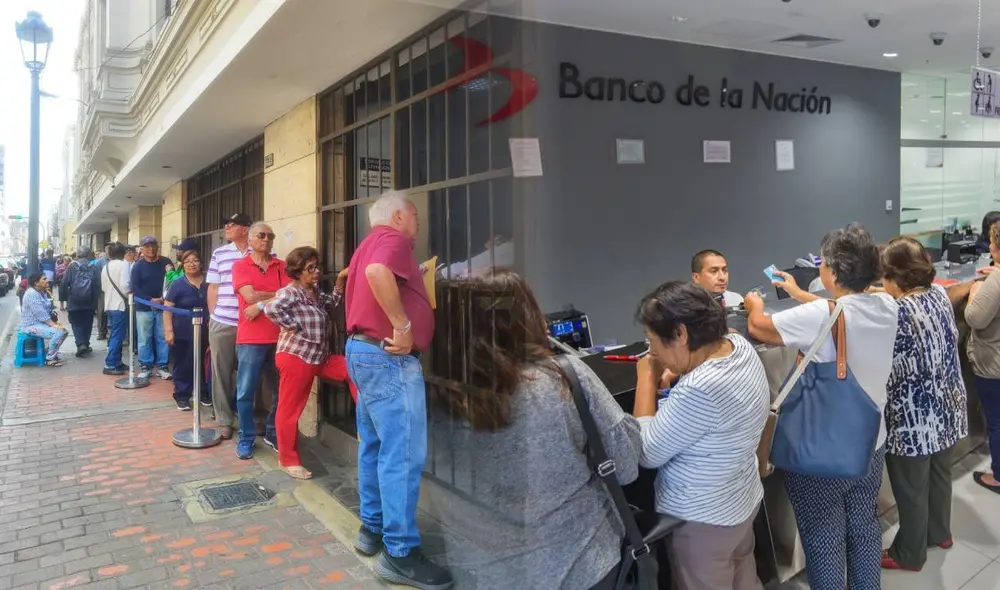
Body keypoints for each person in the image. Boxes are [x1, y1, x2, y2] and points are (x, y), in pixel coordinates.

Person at [428, 269, 640, 589]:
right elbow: (625, 467)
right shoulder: (562, 379)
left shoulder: (431, 396)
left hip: (479, 574)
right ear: (523, 318)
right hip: (581, 567)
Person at [745, 225, 898, 590]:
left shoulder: (824, 316)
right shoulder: (886, 304)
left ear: (831, 271)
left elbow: (760, 328)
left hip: (824, 452)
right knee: (864, 524)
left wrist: (755, 305)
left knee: (823, 536)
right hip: (872, 440)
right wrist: (799, 293)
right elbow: (841, 310)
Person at [345, 191, 452, 589]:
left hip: (363, 351)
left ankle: (372, 529)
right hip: (388, 354)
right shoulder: (393, 240)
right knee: (402, 453)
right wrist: (404, 326)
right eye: (413, 213)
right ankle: (401, 552)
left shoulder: (367, 243)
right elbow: (378, 273)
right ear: (395, 216)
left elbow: (364, 275)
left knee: (373, 445)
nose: (417, 220)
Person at [633, 281, 767, 590]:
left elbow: (646, 450)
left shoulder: (699, 389)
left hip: (703, 519)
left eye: (652, 341)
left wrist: (646, 377)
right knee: (745, 578)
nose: (652, 351)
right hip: (740, 501)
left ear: (680, 333)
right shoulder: (738, 345)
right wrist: (680, 368)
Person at [876, 237, 967, 571]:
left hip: (913, 420)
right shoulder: (939, 295)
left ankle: (910, 553)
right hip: (949, 407)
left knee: (912, 488)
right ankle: (940, 532)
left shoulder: (896, 312)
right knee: (941, 474)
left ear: (895, 277)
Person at [264, 247, 354, 479]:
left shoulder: (313, 291)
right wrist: (292, 325)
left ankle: (366, 424)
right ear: (297, 272)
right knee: (290, 411)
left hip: (319, 357)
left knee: (354, 369)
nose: (316, 271)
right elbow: (271, 307)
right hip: (297, 358)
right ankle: (288, 459)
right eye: (310, 268)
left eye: (317, 266)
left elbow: (332, 303)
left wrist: (341, 280)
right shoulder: (291, 292)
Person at [232, 222, 288, 460]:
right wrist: (274, 294)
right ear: (251, 239)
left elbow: (290, 294)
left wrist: (261, 303)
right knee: (246, 391)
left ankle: (273, 433)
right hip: (251, 338)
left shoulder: (281, 265)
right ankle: (246, 437)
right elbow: (249, 295)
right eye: (261, 235)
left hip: (281, 337)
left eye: (270, 236)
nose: (266, 239)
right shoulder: (240, 265)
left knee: (279, 389)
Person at [207, 214, 254, 440]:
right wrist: (213, 315)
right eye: (226, 223)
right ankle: (223, 419)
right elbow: (213, 287)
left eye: (232, 224)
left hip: (254, 321)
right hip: (223, 320)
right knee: (220, 371)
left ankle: (254, 417)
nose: (226, 227)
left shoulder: (264, 252)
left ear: (245, 229)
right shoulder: (220, 253)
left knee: (254, 371)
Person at [966, 223, 1000, 494]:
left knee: (997, 421)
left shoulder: (997, 280)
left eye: (991, 242)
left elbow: (975, 318)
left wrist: (977, 293)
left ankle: (997, 476)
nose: (988, 246)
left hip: (993, 364)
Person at [164, 250, 212, 411]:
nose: (192, 264)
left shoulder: (210, 282)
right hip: (183, 331)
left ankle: (204, 392)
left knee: (205, 363)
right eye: (187, 261)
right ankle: (182, 395)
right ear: (182, 265)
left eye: (195, 260)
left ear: (201, 263)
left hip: (207, 329)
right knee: (184, 362)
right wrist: (169, 331)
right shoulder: (178, 283)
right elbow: (167, 309)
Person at [130, 236, 174, 380]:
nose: (151, 249)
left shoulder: (166, 262)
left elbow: (173, 281)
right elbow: (135, 286)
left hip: (163, 306)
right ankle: (146, 366)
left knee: (163, 337)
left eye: (153, 246)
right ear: (141, 249)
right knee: (144, 338)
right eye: (147, 247)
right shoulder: (137, 266)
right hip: (144, 307)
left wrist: (165, 298)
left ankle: (163, 366)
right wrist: (150, 300)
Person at [59, 247, 101, 358]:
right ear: (89, 255)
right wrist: (95, 301)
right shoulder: (94, 267)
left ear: (78, 255)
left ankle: (80, 344)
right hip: (89, 302)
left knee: (76, 323)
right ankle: (86, 344)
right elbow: (97, 285)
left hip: (74, 301)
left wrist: (63, 300)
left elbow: (64, 284)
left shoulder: (72, 266)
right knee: (88, 323)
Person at [20, 272, 68, 367]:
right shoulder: (32, 294)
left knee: (63, 331)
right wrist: (54, 325)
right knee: (60, 332)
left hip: (41, 323)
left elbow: (47, 309)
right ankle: (49, 358)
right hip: (31, 325)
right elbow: (40, 313)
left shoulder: (42, 292)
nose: (47, 281)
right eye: (44, 279)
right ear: (36, 283)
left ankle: (50, 352)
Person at [101, 243, 131, 376]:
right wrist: (131, 292)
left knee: (114, 333)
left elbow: (103, 287)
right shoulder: (124, 264)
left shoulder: (106, 266)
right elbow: (125, 287)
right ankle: (111, 363)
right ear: (123, 252)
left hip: (109, 304)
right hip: (120, 304)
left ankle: (117, 361)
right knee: (118, 335)